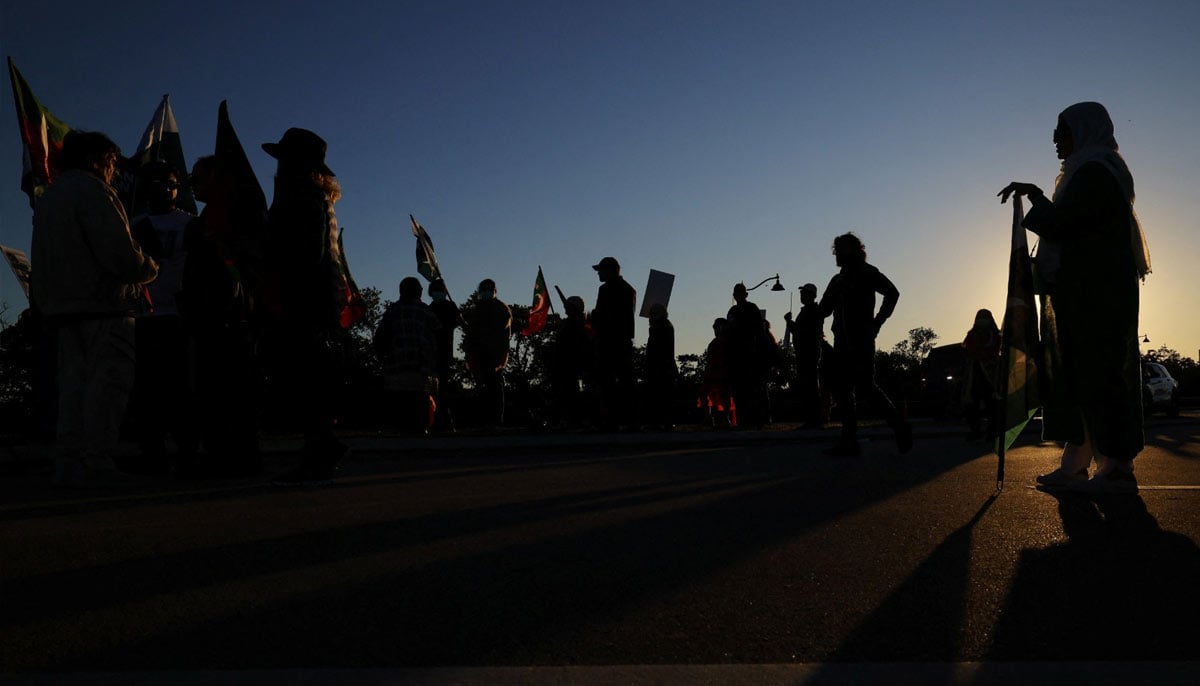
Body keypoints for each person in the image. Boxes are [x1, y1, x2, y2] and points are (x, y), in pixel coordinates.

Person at [1000, 101, 1150, 494]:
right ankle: (1077, 463)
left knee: (1101, 374)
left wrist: (1034, 200)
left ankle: (1117, 467)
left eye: (1061, 130)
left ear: (1084, 131)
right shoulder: (1083, 172)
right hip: (1084, 290)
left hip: (1096, 294)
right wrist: (1037, 196)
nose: (1054, 139)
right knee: (1080, 376)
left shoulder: (1096, 173)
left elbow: (1063, 225)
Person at [30, 131, 160, 485]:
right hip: (104, 306)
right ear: (94, 160)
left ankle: (70, 462)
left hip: (64, 310)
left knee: (73, 391)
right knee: (108, 387)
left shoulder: (50, 197)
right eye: (111, 162)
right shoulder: (95, 192)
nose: (113, 170)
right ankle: (96, 460)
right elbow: (119, 254)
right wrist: (149, 267)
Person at [257, 128, 350, 486]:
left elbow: (303, 253)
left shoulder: (300, 195)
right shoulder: (311, 195)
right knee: (304, 374)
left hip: (301, 295)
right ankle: (321, 445)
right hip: (312, 295)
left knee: (302, 375)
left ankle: (321, 448)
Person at [177, 154, 265, 477]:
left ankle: (244, 455)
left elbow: (250, 263)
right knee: (208, 387)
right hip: (203, 314)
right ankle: (216, 452)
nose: (192, 185)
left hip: (235, 314)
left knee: (238, 387)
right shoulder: (198, 224)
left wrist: (225, 252)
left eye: (197, 178)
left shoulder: (238, 217)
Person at [126, 161, 198, 474]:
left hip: (179, 316)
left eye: (171, 184)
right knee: (146, 389)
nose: (167, 190)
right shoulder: (133, 224)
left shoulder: (190, 224)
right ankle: (152, 452)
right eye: (159, 184)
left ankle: (188, 451)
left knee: (182, 387)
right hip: (143, 317)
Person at [816, 232, 912, 456]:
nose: (837, 255)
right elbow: (825, 308)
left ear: (853, 250)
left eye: (840, 250)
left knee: (865, 387)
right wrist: (817, 313)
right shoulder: (837, 279)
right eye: (835, 251)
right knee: (843, 390)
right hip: (841, 340)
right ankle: (849, 441)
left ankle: (900, 426)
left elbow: (892, 293)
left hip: (861, 340)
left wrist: (877, 322)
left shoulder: (868, 273)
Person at [374, 277, 441, 433]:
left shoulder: (393, 310)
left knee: (399, 402)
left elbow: (380, 336)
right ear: (418, 292)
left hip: (396, 366)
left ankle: (398, 429)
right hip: (421, 367)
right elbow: (438, 333)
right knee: (419, 402)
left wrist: (381, 356)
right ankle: (420, 429)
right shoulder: (425, 310)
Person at [590, 256, 637, 431]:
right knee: (626, 382)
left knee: (608, 382)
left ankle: (611, 420)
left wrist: (594, 318)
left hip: (609, 341)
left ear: (610, 270)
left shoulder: (606, 289)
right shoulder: (629, 289)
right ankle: (631, 420)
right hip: (624, 341)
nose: (599, 274)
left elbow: (602, 315)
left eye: (600, 270)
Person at [463, 278, 511, 427]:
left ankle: (495, 420)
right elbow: (472, 333)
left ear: (494, 291)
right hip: (479, 355)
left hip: (494, 355)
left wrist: (501, 355)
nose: (486, 291)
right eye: (483, 289)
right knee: (482, 388)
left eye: (489, 289)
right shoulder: (477, 309)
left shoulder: (501, 309)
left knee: (494, 387)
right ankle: (484, 420)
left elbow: (504, 334)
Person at [726, 283, 769, 428]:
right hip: (737, 354)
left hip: (750, 354)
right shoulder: (733, 311)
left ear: (745, 294)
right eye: (736, 292)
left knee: (752, 389)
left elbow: (760, 331)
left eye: (740, 292)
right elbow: (729, 330)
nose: (737, 295)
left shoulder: (752, 308)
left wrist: (760, 350)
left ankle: (755, 419)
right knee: (740, 389)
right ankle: (744, 419)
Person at [785, 283, 826, 428]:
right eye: (802, 293)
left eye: (805, 293)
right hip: (805, 352)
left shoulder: (813, 311)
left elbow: (804, 333)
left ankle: (814, 418)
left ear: (812, 295)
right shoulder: (808, 311)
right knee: (808, 385)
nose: (802, 295)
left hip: (809, 352)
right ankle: (813, 418)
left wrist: (791, 324)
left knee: (811, 386)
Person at [548, 295, 593, 428]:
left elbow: (576, 344)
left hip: (570, 362)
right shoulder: (574, 323)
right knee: (566, 391)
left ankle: (571, 419)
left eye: (568, 307)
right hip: (566, 362)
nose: (565, 309)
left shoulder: (577, 324)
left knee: (569, 391)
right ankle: (567, 419)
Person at [427, 278, 464, 432]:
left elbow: (458, 322)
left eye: (440, 289)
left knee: (443, 388)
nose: (437, 292)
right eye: (435, 289)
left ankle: (446, 420)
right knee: (431, 389)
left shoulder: (450, 306)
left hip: (444, 352)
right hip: (430, 352)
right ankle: (433, 420)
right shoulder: (429, 308)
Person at [961, 308, 1001, 442]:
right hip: (974, 375)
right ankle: (975, 431)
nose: (982, 320)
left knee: (992, 405)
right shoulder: (972, 334)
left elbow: (994, 349)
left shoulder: (995, 334)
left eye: (984, 317)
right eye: (980, 317)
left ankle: (992, 432)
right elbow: (967, 350)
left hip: (991, 376)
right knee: (972, 405)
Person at [644, 303, 678, 431]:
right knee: (662, 396)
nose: (650, 318)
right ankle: (664, 422)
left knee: (661, 395)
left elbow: (658, 349)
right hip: (662, 366)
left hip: (661, 367)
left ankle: (661, 422)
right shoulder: (664, 326)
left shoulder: (661, 327)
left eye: (652, 314)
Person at [701, 317, 735, 428]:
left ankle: (726, 418)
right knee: (705, 394)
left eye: (716, 327)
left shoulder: (726, 342)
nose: (715, 330)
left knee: (725, 395)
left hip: (723, 372)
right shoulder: (715, 343)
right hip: (712, 372)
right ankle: (708, 417)